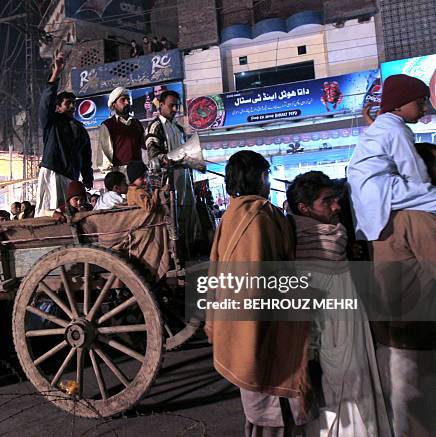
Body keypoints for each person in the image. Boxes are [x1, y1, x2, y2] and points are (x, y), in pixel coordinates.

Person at [347, 74, 436, 436]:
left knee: (404, 394)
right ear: (402, 105)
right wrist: (426, 185)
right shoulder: (398, 131)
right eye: (420, 102)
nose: (425, 108)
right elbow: (414, 174)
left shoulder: (384, 126)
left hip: (393, 325)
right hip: (415, 327)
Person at [205, 151, 316, 436]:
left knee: (259, 405)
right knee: (272, 407)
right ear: (260, 177)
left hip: (240, 324)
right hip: (261, 326)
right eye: (267, 175)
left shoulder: (235, 212)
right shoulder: (258, 217)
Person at [286, 171, 392, 437]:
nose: (337, 207)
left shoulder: (336, 238)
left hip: (349, 342)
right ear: (304, 209)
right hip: (333, 350)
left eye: (336, 199)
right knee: (343, 408)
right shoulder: (305, 250)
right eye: (327, 201)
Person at [35, 51, 93, 217]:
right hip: (52, 170)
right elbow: (45, 103)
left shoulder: (81, 130)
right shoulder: (52, 122)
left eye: (74, 104)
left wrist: (87, 177)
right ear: (58, 107)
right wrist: (56, 72)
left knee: (70, 213)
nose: (72, 107)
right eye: (68, 103)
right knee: (50, 212)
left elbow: (86, 156)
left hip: (71, 176)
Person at [146, 90, 202, 256]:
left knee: (188, 213)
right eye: (171, 105)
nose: (175, 109)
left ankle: (191, 251)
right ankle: (176, 255)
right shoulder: (155, 126)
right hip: (167, 182)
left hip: (184, 179)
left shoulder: (179, 128)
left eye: (177, 106)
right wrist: (169, 159)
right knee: (172, 217)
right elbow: (153, 155)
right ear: (161, 105)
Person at [97, 87, 145, 177]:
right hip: (120, 175)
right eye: (123, 100)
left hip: (138, 174)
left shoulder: (137, 123)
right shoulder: (107, 125)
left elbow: (145, 145)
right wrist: (111, 177)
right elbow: (105, 154)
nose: (127, 102)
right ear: (114, 104)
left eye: (128, 100)